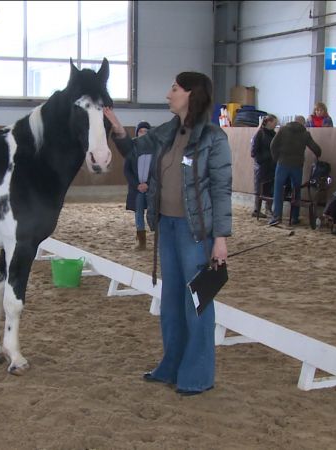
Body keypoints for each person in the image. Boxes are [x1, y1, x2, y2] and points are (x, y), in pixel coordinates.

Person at [103, 72, 232, 396]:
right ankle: (171, 364)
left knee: (197, 302)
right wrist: (117, 129)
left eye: (174, 88)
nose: (168, 94)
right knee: (172, 300)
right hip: (167, 226)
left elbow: (220, 190)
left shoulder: (214, 138)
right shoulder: (167, 132)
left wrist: (221, 238)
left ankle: (198, 374)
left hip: (196, 233)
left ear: (191, 94)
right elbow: (133, 150)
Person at [268, 116, 322, 226]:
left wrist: (276, 158)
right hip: (297, 165)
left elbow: (273, 145)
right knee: (296, 190)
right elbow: (316, 148)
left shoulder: (283, 130)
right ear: (303, 123)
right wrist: (318, 157)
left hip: (282, 163)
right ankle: (294, 217)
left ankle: (277, 216)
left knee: (278, 189)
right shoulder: (305, 134)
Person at [123, 121, 153, 250]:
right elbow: (127, 170)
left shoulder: (155, 148)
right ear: (137, 133)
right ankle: (141, 241)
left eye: (146, 131)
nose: (143, 134)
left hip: (152, 188)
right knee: (139, 212)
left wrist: (149, 184)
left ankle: (159, 239)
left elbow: (158, 168)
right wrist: (137, 185)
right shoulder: (132, 148)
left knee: (156, 213)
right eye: (141, 131)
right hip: (138, 189)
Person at [250, 114, 277, 218]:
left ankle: (268, 209)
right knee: (259, 188)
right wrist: (262, 159)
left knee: (269, 187)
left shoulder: (274, 134)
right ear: (269, 122)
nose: (276, 124)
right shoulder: (259, 134)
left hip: (271, 165)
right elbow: (253, 151)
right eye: (275, 122)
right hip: (261, 166)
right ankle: (257, 209)